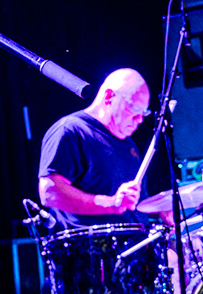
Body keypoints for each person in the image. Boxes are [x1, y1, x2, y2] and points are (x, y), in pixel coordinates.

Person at [36, 68, 153, 228]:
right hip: (90, 243)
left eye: (144, 112)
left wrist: (159, 211)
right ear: (109, 96)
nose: (139, 119)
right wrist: (110, 203)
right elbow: (50, 192)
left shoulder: (128, 144)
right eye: (134, 108)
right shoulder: (72, 131)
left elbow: (128, 206)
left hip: (135, 240)